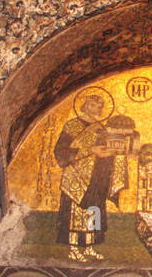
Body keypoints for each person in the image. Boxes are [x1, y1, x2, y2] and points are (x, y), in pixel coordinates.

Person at [54, 89, 127, 261]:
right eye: (92, 104)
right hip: (76, 176)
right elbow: (61, 151)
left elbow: (107, 150)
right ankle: (73, 248)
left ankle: (89, 245)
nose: (95, 108)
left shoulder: (102, 129)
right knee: (75, 211)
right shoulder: (72, 125)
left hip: (96, 176)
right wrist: (89, 150)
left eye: (99, 106)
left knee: (94, 209)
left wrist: (111, 154)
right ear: (84, 105)